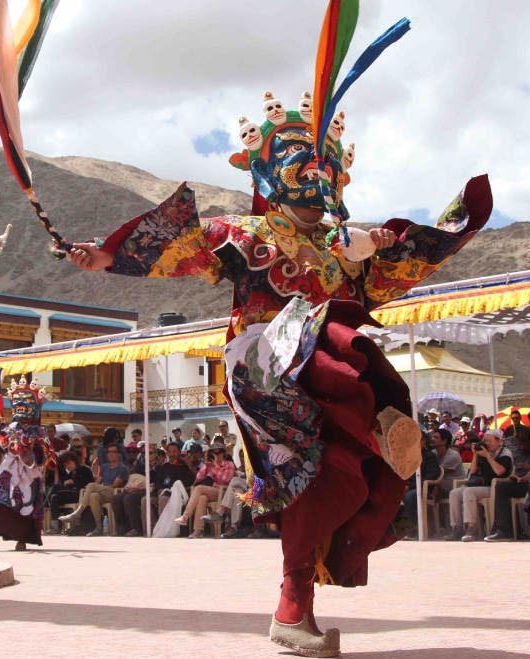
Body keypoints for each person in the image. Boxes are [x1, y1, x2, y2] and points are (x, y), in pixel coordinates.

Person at [67, 49, 490, 653]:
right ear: (269, 172)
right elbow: (183, 247)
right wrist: (105, 255)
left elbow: (399, 266)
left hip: (325, 361)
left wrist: (440, 228)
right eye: (298, 160)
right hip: (264, 364)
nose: (314, 176)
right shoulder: (245, 235)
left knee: (342, 480)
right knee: (324, 354)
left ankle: (295, 604)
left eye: (323, 165)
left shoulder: (349, 247)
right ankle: (366, 421)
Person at [0, 377, 49, 551]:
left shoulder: (39, 431)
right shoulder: (10, 427)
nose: (22, 405)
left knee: (26, 504)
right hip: (9, 471)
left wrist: (31, 445)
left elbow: (44, 457)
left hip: (29, 473)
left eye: (27, 402)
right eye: (18, 401)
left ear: (35, 407)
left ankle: (22, 539)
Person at [445, 429, 513, 542]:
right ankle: (457, 528)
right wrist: (476, 454)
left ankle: (472, 528)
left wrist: (487, 456)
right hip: (480, 485)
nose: (488, 443)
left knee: (469, 492)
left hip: (495, 486)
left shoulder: (505, 453)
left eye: (491, 441)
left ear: (499, 441)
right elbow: (471, 472)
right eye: (486, 441)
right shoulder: (484, 451)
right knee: (454, 493)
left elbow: (499, 472)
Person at [402, 428, 466, 539]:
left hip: (430, 487)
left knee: (410, 496)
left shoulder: (431, 457)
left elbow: (432, 476)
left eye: (419, 439)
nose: (416, 442)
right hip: (411, 486)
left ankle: (416, 528)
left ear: (424, 441)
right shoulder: (408, 456)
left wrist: (410, 486)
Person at [59, 442, 129, 536]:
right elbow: (98, 482)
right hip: (103, 492)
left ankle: (77, 514)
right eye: (109, 452)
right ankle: (99, 526)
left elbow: (116, 485)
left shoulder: (122, 468)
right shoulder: (104, 467)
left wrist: (96, 487)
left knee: (92, 486)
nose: (110, 454)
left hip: (115, 493)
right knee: (93, 496)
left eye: (114, 452)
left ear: (119, 454)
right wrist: (95, 488)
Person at [176, 439, 237, 538]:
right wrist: (206, 464)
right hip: (213, 492)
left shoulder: (228, 464)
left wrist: (217, 466)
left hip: (225, 493)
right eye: (214, 452)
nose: (216, 455)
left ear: (223, 453)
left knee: (199, 488)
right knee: (202, 498)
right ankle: (198, 530)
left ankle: (186, 516)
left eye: (218, 452)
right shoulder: (210, 465)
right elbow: (199, 478)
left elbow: (225, 480)